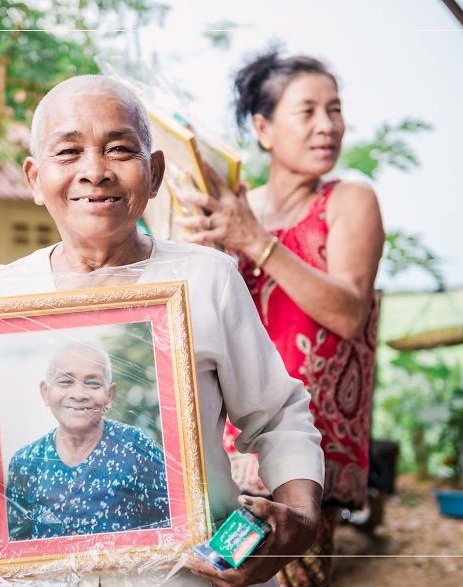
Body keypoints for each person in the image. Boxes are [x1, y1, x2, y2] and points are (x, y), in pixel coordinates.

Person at [0, 74, 325, 586]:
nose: (94, 172)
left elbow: (277, 416)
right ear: (33, 178)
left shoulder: (206, 278)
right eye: (68, 152)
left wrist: (301, 516)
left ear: (154, 172)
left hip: (195, 577)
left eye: (119, 149)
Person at [174, 51, 385, 587]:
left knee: (293, 575)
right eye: (308, 111)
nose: (327, 126)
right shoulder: (231, 206)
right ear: (264, 129)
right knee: (220, 574)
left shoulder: (348, 200)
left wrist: (256, 242)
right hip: (228, 444)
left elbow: (349, 312)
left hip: (308, 445)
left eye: (334, 110)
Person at [6, 341, 170, 541]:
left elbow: (169, 529)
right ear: (45, 392)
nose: (79, 395)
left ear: (110, 396)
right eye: (65, 382)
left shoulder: (137, 448)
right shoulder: (25, 462)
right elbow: (17, 543)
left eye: (93, 383)